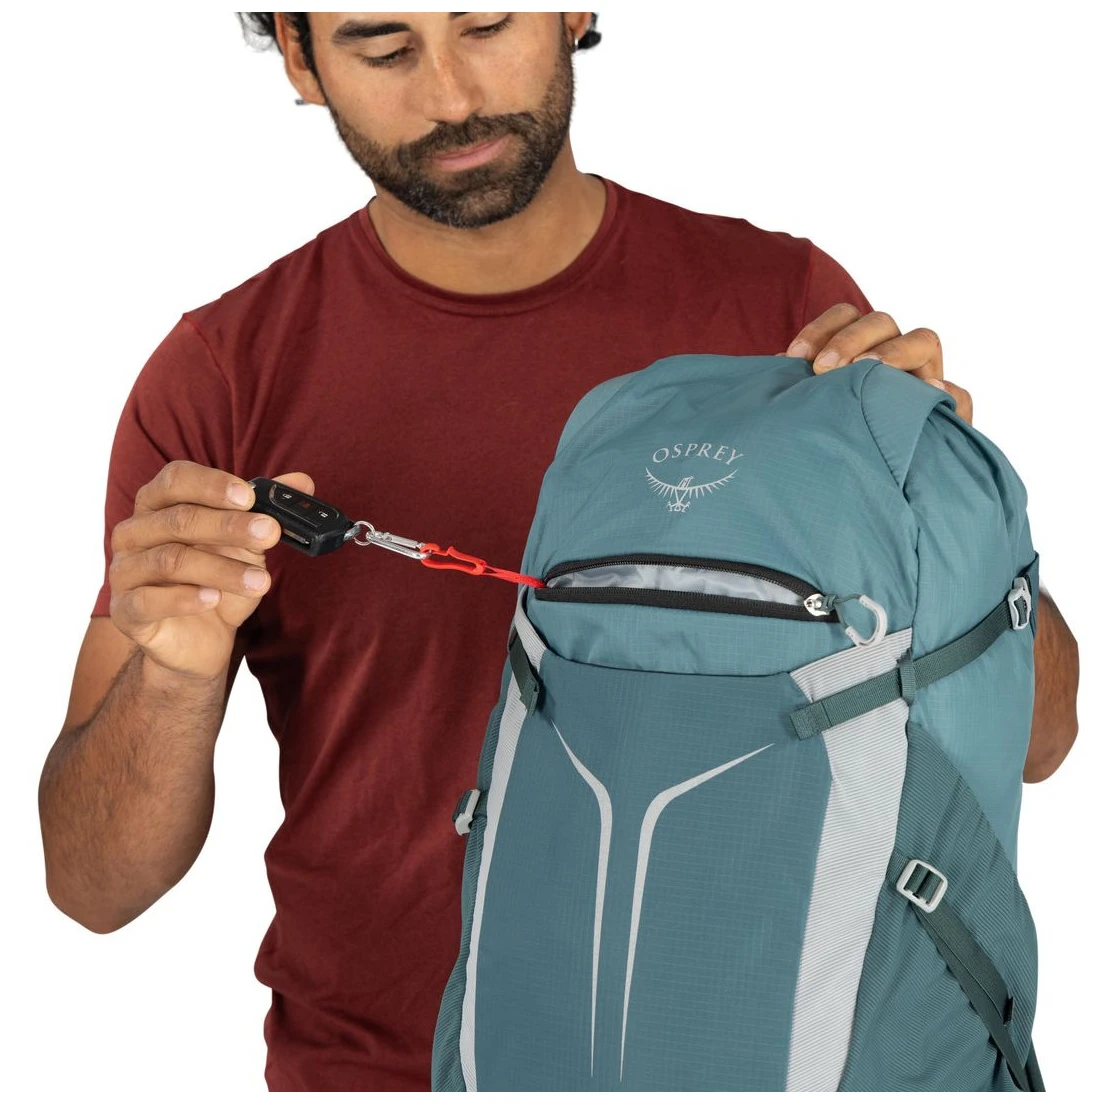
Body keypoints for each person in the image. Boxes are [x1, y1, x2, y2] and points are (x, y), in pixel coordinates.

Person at [37, 12, 1080, 1093]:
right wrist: (172, 675)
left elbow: (1038, 738)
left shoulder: (783, 315)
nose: (450, 97)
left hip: (761, 1063)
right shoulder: (221, 376)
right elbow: (91, 886)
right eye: (383, 49)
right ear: (301, 60)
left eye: (486, 24)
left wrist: (956, 496)